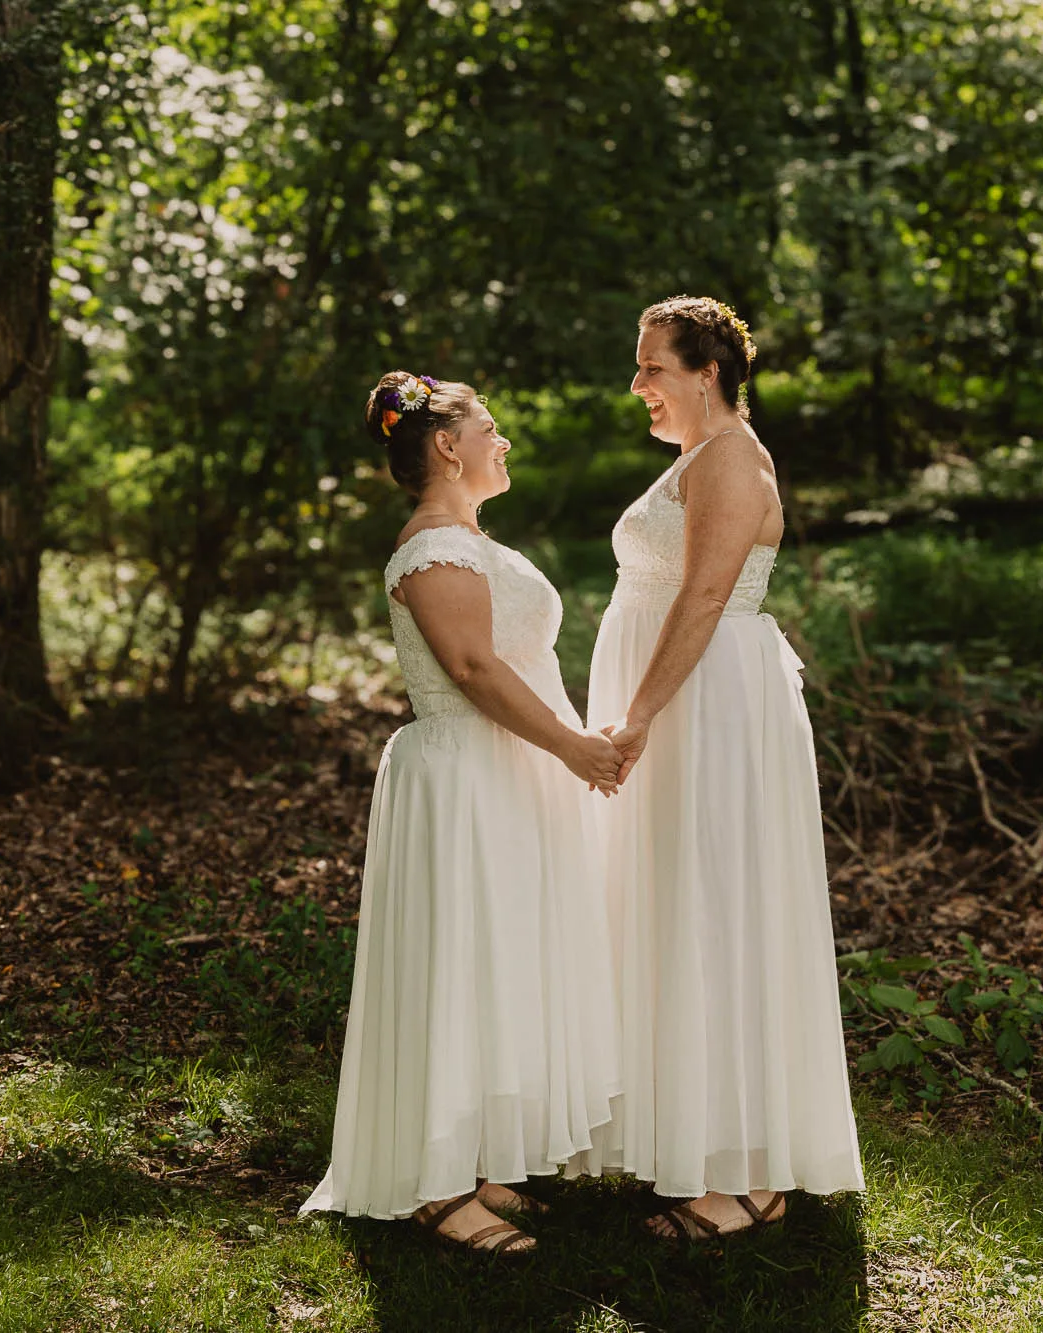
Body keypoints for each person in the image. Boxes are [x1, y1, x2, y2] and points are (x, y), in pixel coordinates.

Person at [301, 372, 625, 1255]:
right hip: (463, 780)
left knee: (503, 964)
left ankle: (485, 1161)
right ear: (447, 444)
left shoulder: (469, 539)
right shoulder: (432, 547)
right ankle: (434, 1186)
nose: (503, 439)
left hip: (511, 776)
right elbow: (475, 671)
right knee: (460, 963)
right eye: (490, 425)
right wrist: (572, 746)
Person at [590, 297, 865, 1240]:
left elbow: (705, 599)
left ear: (705, 370)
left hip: (709, 712)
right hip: (684, 705)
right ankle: (688, 1134)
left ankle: (747, 1175)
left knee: (720, 911)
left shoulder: (736, 460)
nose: (639, 385)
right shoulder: (696, 459)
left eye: (651, 367)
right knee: (675, 910)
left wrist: (636, 718)